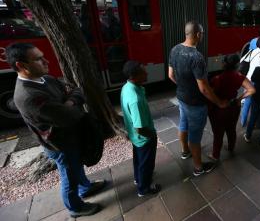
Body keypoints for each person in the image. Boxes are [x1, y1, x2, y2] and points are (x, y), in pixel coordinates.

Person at [5, 43, 105, 218]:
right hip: (60, 144)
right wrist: (71, 103)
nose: (46, 61)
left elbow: (75, 90)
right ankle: (75, 207)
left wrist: (69, 102)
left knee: (76, 166)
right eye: (38, 59)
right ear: (21, 65)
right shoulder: (29, 96)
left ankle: (86, 188)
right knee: (69, 176)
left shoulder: (45, 78)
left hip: (70, 137)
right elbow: (69, 116)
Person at [168, 21, 227, 177]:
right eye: (202, 33)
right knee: (195, 136)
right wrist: (219, 102)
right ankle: (198, 168)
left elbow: (170, 75)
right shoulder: (196, 57)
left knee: (183, 124)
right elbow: (203, 89)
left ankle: (185, 152)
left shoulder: (175, 49)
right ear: (198, 34)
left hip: (181, 97)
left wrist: (183, 86)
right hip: (196, 104)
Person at [120, 60, 160, 197]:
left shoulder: (127, 87)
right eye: (143, 71)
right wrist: (152, 135)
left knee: (139, 160)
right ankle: (144, 189)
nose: (147, 72)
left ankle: (139, 179)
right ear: (134, 76)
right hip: (143, 138)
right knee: (146, 164)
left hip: (135, 138)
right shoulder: (135, 99)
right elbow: (140, 128)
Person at [207, 54, 255, 161]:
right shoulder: (239, 77)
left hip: (218, 109)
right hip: (233, 107)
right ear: (237, 65)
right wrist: (239, 99)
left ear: (224, 64)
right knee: (231, 129)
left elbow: (209, 93)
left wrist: (218, 102)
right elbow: (252, 89)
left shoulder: (217, 79)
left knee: (218, 133)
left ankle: (215, 155)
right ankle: (231, 147)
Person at [240, 33, 260, 126]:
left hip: (248, 79)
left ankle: (243, 122)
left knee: (247, 102)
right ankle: (253, 124)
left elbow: (242, 61)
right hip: (258, 81)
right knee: (256, 104)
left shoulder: (253, 51)